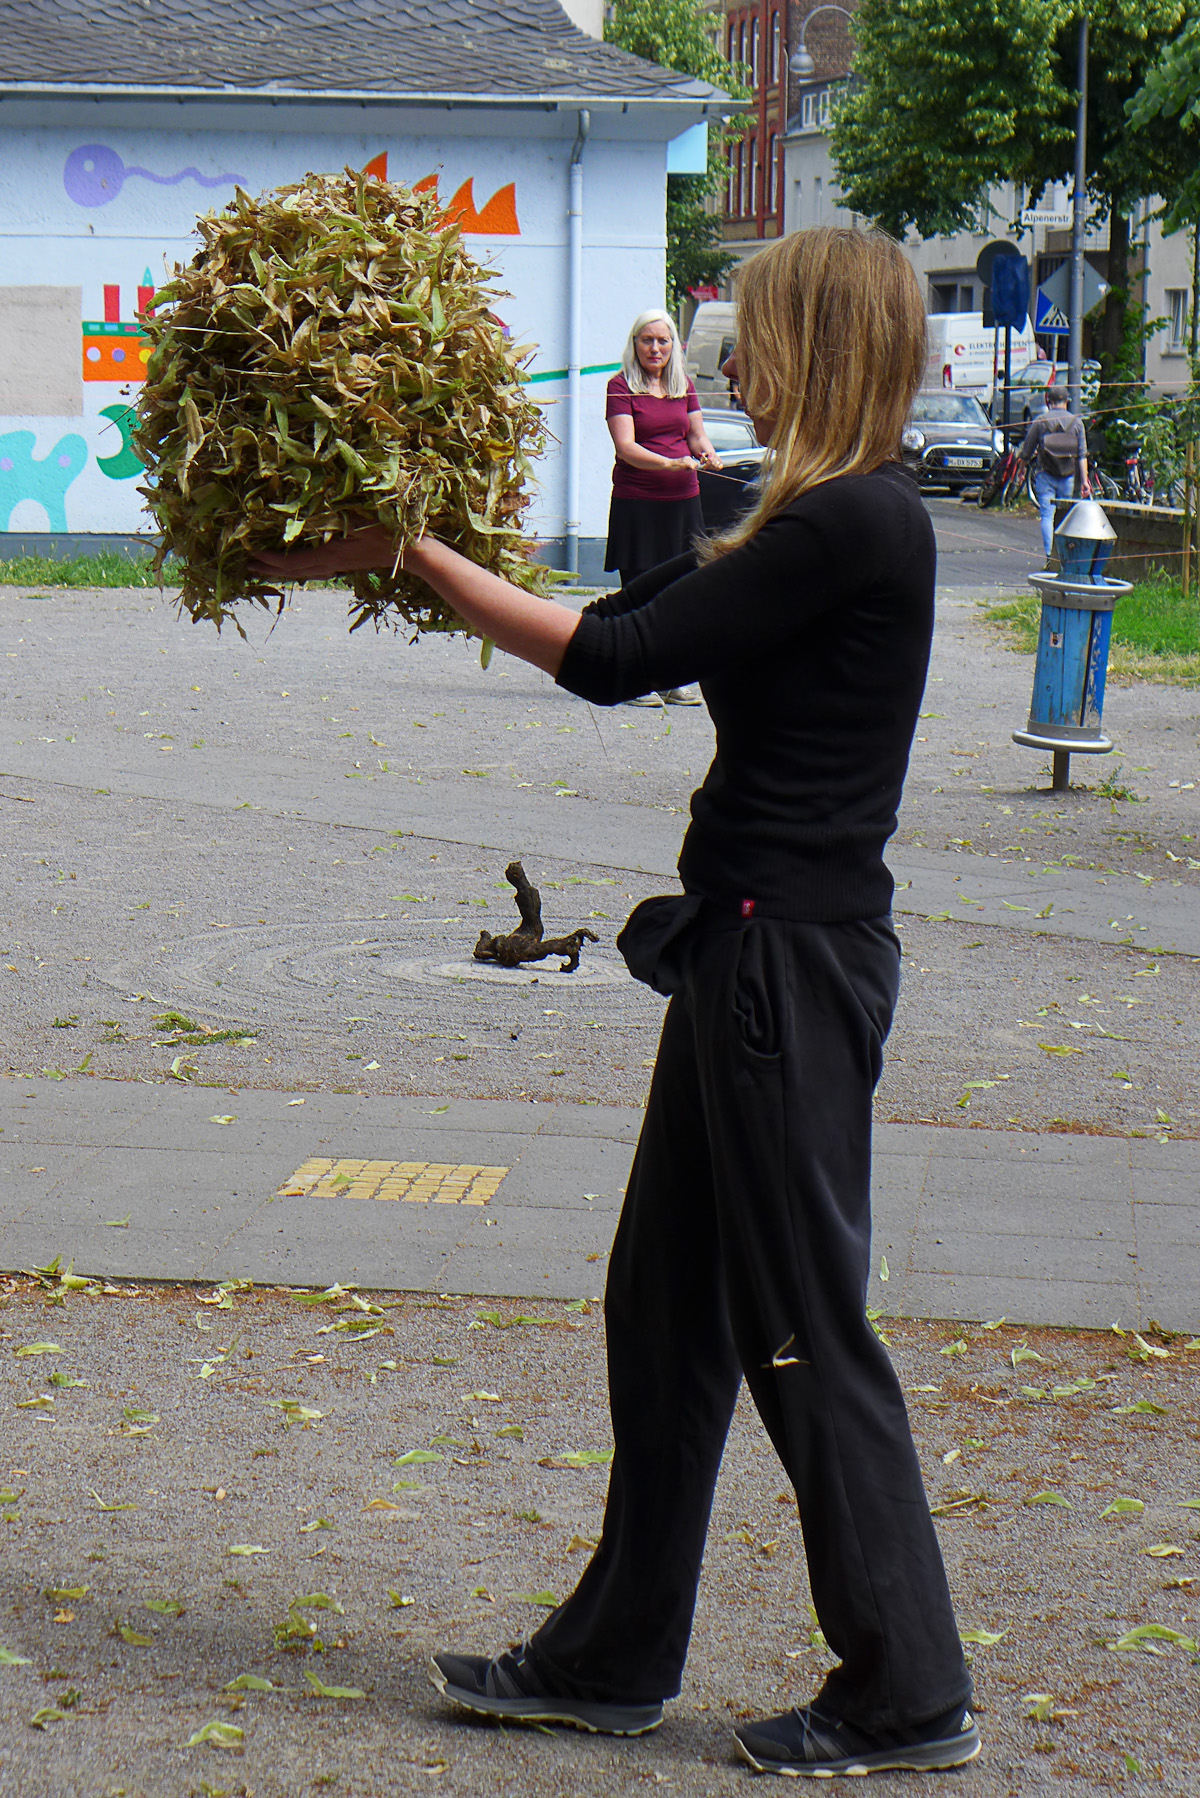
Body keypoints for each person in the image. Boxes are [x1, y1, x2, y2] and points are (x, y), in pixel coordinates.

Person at [253, 224, 980, 1782]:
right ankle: (615, 1655)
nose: (732, 359)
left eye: (754, 332)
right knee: (664, 1308)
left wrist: (408, 553)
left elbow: (611, 657)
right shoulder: (809, 519)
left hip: (787, 971)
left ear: (816, 345)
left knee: (800, 1325)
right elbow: (630, 607)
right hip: (745, 956)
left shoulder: (852, 525)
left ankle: (909, 1686)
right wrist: (398, 542)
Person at [605, 309, 722, 706]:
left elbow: (696, 436)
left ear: (674, 345)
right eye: (647, 340)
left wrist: (707, 453)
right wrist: (668, 463)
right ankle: (635, 680)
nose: (655, 348)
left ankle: (670, 678)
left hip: (683, 504)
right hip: (638, 504)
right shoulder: (619, 386)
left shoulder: (683, 384)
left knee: (678, 593)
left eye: (663, 341)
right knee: (639, 593)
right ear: (635, 344)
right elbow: (626, 447)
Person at [1021, 386, 1092, 562]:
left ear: (1049, 401)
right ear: (1067, 401)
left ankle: (1049, 556)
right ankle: (1063, 557)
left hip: (1045, 474)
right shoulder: (1077, 423)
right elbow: (1082, 455)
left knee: (1047, 515)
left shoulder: (1040, 422)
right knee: (1064, 517)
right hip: (1068, 476)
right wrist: (1084, 481)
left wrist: (1022, 469)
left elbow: (1027, 451)